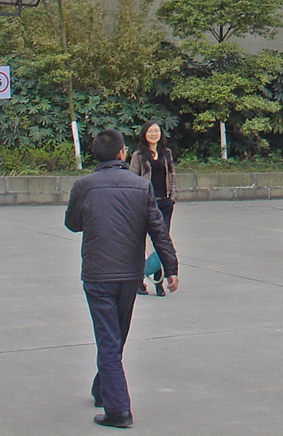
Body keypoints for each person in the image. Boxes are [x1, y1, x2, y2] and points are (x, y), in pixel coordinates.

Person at [65, 129, 179, 429]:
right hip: (130, 274)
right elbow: (158, 230)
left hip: (97, 274)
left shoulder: (83, 186)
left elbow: (72, 224)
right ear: (121, 154)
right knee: (115, 337)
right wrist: (171, 267)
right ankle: (104, 390)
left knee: (108, 339)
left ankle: (118, 410)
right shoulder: (141, 187)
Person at [128, 120, 176, 296]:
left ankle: (158, 281)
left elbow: (172, 175)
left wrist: (172, 197)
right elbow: (132, 179)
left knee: (161, 244)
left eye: (156, 131)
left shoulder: (167, 153)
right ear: (144, 134)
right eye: (150, 131)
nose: (154, 134)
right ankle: (139, 280)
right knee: (140, 242)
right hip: (145, 204)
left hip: (164, 203)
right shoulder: (138, 155)